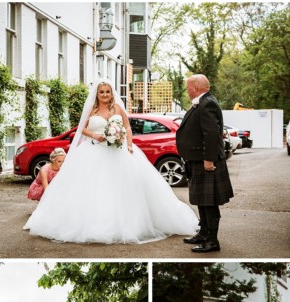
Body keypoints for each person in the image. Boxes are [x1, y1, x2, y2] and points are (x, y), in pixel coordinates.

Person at [24, 79, 198, 243]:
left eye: (107, 91)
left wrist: (129, 144)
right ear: (97, 94)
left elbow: (127, 127)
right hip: (93, 150)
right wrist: (95, 135)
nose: (105, 94)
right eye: (102, 92)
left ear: (111, 93)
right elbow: (81, 129)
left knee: (123, 187)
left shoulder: (117, 109)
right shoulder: (91, 110)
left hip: (118, 151)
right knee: (93, 188)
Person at [175, 74, 235, 253]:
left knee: (209, 203)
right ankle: (203, 233)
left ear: (196, 87)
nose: (187, 91)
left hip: (205, 161)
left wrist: (208, 160)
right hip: (197, 159)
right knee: (202, 200)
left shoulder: (207, 103)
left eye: (188, 88)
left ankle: (212, 241)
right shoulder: (202, 102)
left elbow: (211, 134)